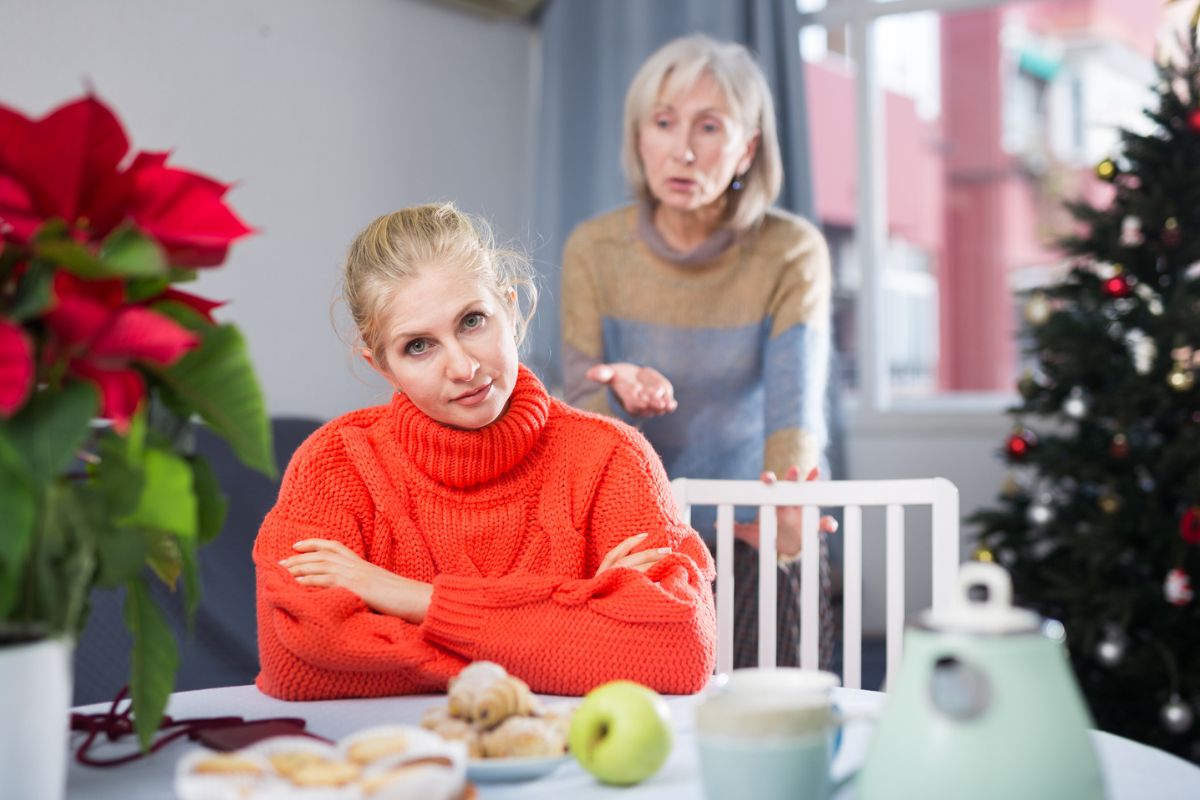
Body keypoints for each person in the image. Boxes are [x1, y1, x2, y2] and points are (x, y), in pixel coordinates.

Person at [254, 202, 716, 701]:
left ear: (510, 309)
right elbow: (296, 664)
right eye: (418, 347)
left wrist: (412, 598)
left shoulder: (613, 459)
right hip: (394, 769)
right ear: (382, 366)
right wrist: (574, 619)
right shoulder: (334, 463)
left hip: (564, 769)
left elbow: (680, 648)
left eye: (472, 321)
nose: (462, 367)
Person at [561, 34, 835, 669]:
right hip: (632, 523)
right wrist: (614, 390)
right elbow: (580, 408)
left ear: (747, 147)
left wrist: (785, 513)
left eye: (709, 127)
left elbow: (796, 416)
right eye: (664, 123)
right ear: (639, 138)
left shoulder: (791, 251)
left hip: (749, 514)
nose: (683, 150)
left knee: (778, 706)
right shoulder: (594, 249)